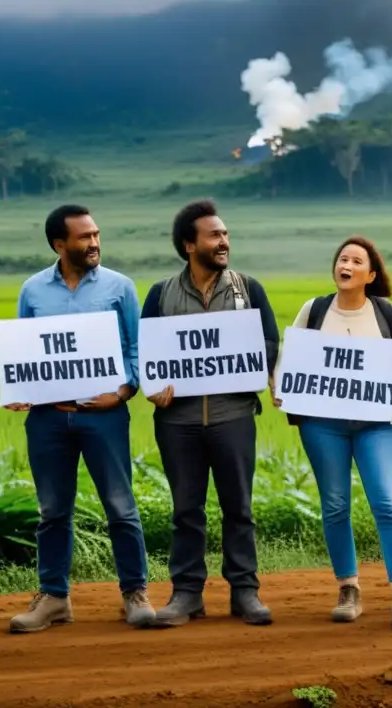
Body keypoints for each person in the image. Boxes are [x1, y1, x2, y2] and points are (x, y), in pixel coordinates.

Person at [273, 236, 392, 632]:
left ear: (370, 274)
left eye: (355, 260)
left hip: (374, 425)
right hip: (322, 424)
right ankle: (348, 588)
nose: (345, 264)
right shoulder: (313, 310)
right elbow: (290, 356)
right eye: (341, 258)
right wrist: (282, 386)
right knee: (335, 505)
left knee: (388, 504)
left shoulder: (386, 314)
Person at [5, 204, 155, 633]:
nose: (94, 243)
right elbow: (26, 349)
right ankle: (54, 597)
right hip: (48, 419)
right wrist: (20, 389)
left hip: (104, 416)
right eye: (84, 237)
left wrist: (124, 390)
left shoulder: (119, 287)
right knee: (52, 511)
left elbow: (136, 347)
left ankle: (135, 592)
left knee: (121, 507)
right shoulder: (33, 290)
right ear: (59, 244)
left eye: (96, 235)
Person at [141, 199, 279, 627]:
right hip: (177, 422)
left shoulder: (247, 289)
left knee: (239, 507)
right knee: (186, 509)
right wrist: (152, 388)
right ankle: (186, 593)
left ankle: (245, 592)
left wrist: (253, 370)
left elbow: (270, 343)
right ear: (189, 245)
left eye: (226, 235)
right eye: (214, 236)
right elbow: (147, 353)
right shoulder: (161, 294)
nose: (224, 242)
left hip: (233, 416)